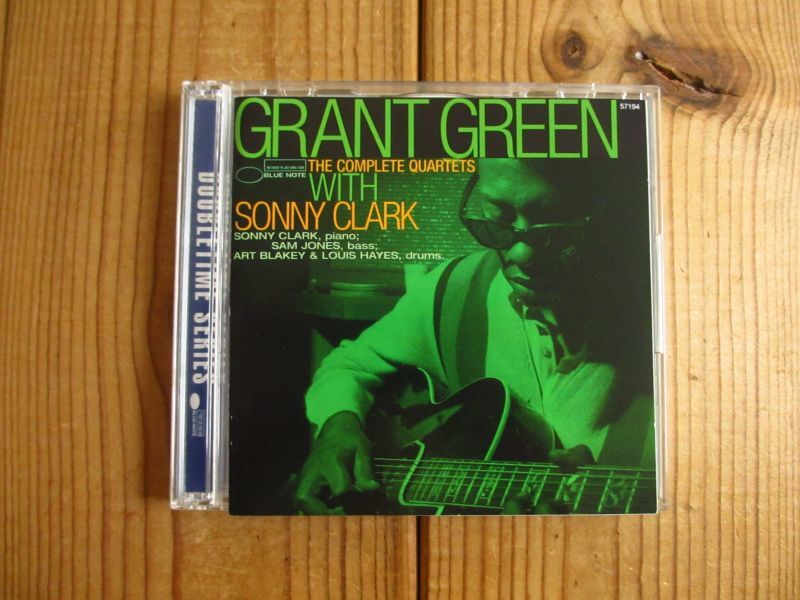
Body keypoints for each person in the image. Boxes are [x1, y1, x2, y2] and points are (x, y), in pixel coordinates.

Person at [294, 158, 655, 514]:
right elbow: (349, 363)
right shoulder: (453, 290)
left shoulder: (665, 319)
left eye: (554, 224)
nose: (521, 253)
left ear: (608, 209)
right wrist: (338, 423)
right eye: (497, 218)